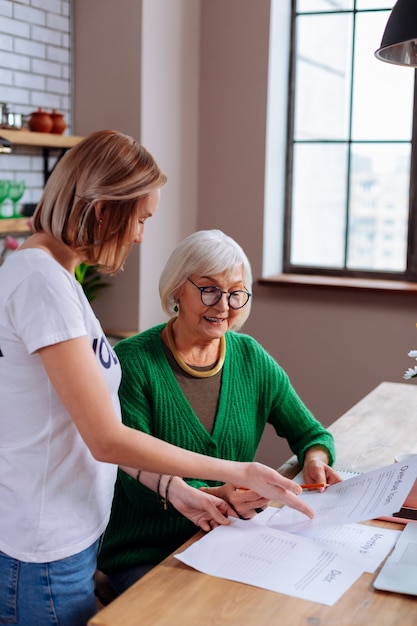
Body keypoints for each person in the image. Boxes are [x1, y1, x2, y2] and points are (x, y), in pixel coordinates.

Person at [0, 131, 315, 626]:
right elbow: (107, 438)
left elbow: (91, 430)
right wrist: (238, 471)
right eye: (141, 218)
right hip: (44, 546)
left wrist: (177, 490)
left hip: (71, 535)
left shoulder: (58, 279)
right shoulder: (41, 282)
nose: (141, 235)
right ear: (105, 209)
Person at [97, 228, 341, 596]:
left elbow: (310, 433)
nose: (224, 305)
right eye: (209, 290)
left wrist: (315, 459)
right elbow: (135, 482)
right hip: (148, 552)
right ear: (177, 288)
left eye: (235, 293)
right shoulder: (133, 362)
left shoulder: (250, 357)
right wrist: (220, 493)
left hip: (231, 540)